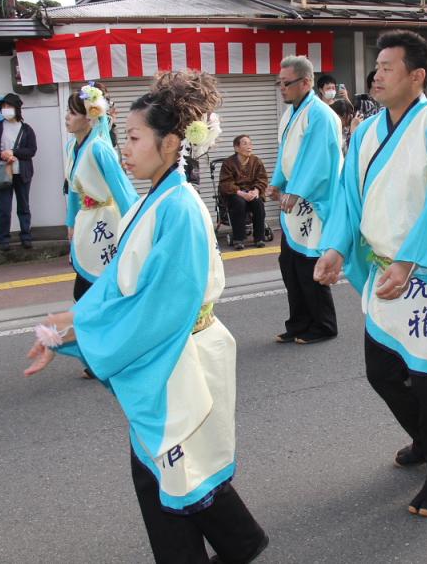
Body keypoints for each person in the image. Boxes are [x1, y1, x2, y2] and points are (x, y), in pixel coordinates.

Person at [23, 71, 269, 564]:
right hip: (175, 351)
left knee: (169, 473)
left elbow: (157, 308)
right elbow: (118, 288)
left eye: (135, 138)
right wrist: (66, 324)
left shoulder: (176, 207)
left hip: (182, 356)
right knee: (175, 470)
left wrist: (83, 335)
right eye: (125, 137)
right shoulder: (153, 202)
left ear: (172, 141)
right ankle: (242, 543)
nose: (126, 148)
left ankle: (238, 544)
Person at [314, 29, 427, 518]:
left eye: (388, 67)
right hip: (383, 274)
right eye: (377, 67)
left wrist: (410, 261)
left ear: (417, 75)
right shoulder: (365, 132)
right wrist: (334, 248)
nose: (376, 75)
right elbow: (349, 197)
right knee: (382, 371)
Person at [267, 55, 343, 345]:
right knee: (289, 263)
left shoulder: (320, 115)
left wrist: (294, 190)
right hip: (295, 201)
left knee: (310, 264)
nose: (281, 88)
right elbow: (287, 154)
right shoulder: (292, 113)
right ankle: (298, 322)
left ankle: (323, 325)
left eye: (286, 83)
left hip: (314, 202)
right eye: (279, 83)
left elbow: (318, 161)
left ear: (306, 82)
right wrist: (277, 184)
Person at [64, 85, 138, 302]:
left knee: (95, 284)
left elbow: (122, 190)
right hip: (87, 221)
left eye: (73, 113)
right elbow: (73, 189)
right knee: (89, 286)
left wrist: (135, 225)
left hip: (105, 221)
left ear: (89, 117)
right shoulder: (71, 147)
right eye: (67, 112)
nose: (67, 117)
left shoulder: (99, 148)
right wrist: (70, 223)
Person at [0, 93, 38, 251]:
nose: (5, 109)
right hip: (3, 172)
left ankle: (26, 236)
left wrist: (13, 152)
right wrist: (2, 154)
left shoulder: (26, 129)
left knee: (24, 206)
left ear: (17, 108)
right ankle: (3, 239)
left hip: (22, 173)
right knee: (4, 208)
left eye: (8, 106)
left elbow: (31, 150)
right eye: (3, 107)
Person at [219, 134, 270, 250]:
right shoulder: (228, 163)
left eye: (250, 143)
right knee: (239, 203)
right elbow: (226, 183)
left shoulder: (256, 161)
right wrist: (241, 193)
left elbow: (262, 179)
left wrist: (256, 191)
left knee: (258, 203)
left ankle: (259, 238)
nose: (249, 146)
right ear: (236, 148)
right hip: (235, 194)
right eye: (245, 144)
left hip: (252, 192)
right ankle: (239, 239)